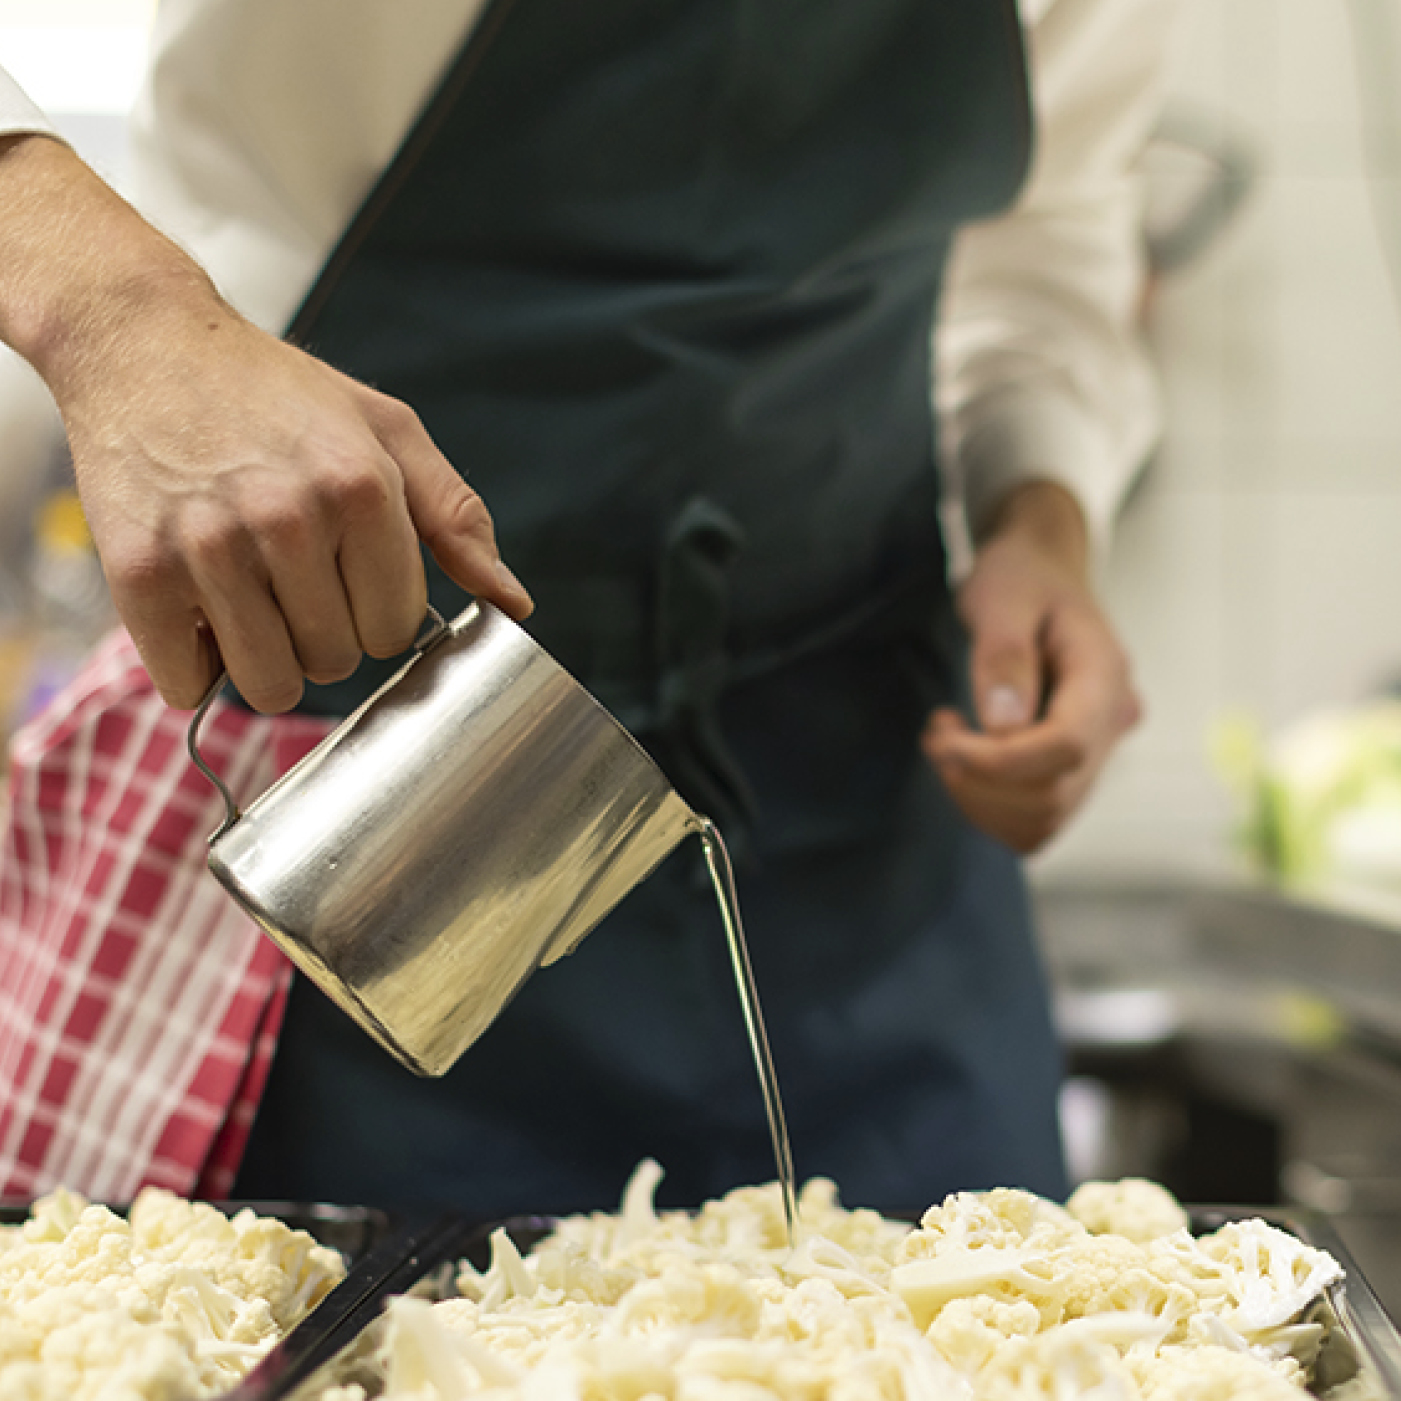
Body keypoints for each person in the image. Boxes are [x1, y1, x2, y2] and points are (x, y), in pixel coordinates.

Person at [0, 0, 1175, 1211]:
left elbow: (1045, 240)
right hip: (370, 798)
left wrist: (1041, 522)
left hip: (860, 814)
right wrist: (116, 314)